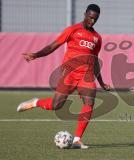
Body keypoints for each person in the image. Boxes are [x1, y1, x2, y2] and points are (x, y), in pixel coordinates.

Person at [17, 4, 110, 149]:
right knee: (56, 105)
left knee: (89, 102)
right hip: (69, 73)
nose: (92, 21)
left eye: (95, 19)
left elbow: (95, 60)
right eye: (90, 17)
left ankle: (77, 140)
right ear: (85, 14)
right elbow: (52, 46)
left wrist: (102, 82)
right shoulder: (72, 30)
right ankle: (36, 102)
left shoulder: (97, 38)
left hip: (86, 74)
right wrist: (36, 55)